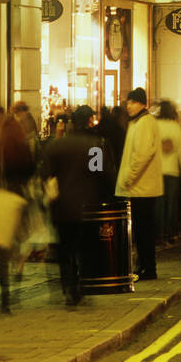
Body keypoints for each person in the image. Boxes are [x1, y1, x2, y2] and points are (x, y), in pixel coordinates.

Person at [42, 112, 100, 306]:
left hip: (63, 206)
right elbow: (99, 174)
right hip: (87, 205)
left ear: (71, 125)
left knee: (65, 249)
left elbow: (46, 175)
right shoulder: (94, 146)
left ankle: (68, 287)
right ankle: (82, 286)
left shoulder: (56, 146)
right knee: (84, 248)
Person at [0, 112, 35, 313]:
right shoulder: (22, 146)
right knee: (18, 238)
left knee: (1, 248)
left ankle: (4, 296)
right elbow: (31, 170)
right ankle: (19, 264)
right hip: (18, 197)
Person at [117, 88, 162, 281]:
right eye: (127, 103)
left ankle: (148, 268)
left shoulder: (144, 123)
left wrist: (129, 178)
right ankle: (145, 266)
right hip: (141, 187)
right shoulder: (139, 122)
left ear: (143, 104)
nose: (129, 106)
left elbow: (142, 155)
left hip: (141, 187)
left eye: (133, 102)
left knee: (143, 231)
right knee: (142, 230)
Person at [155, 100, 181, 244]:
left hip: (157, 171)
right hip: (172, 171)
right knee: (171, 203)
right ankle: (170, 233)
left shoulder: (154, 126)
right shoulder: (176, 128)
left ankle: (159, 234)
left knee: (159, 203)